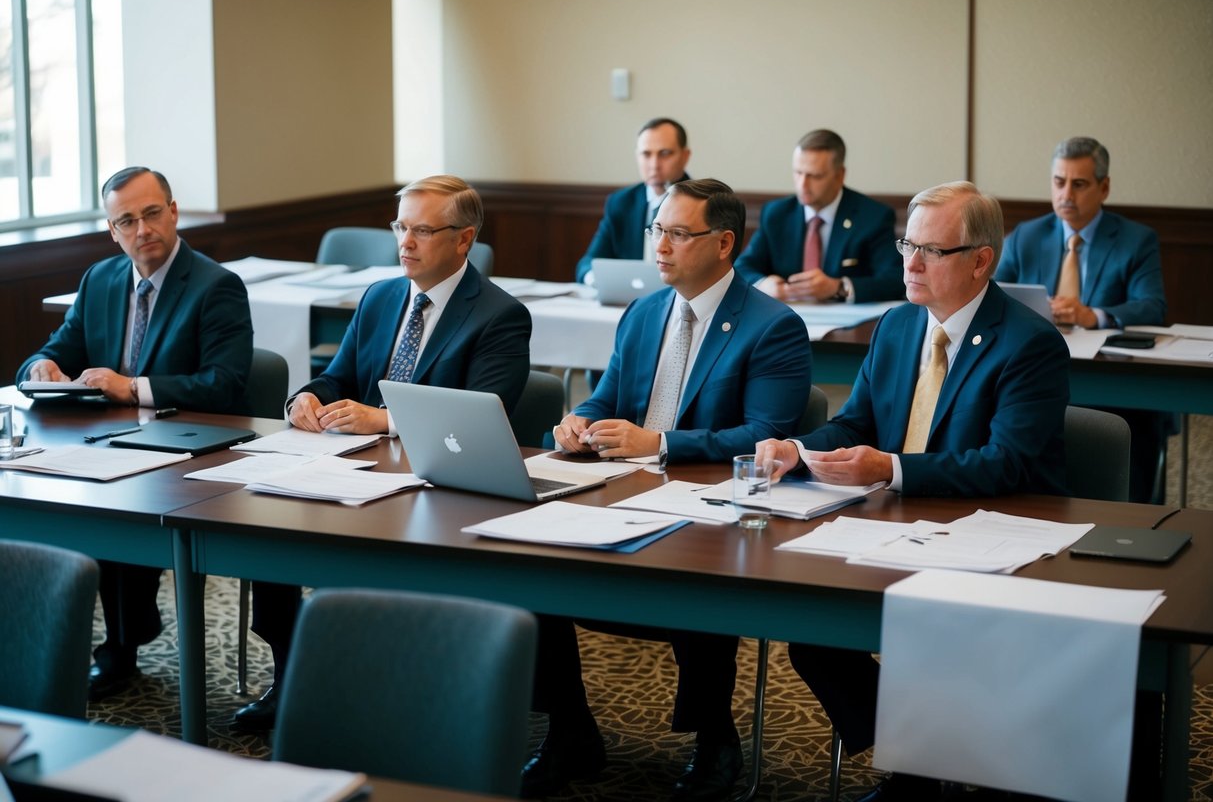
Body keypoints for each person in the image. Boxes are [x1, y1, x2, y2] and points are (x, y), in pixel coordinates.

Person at [756, 181, 1070, 802]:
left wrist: (890, 469)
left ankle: (933, 769)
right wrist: (799, 449)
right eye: (906, 245)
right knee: (812, 625)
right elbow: (856, 423)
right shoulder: (898, 325)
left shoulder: (1029, 343)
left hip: (990, 531)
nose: (911, 264)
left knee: (936, 628)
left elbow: (1005, 464)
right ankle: (931, 757)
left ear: (980, 260)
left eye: (931, 250)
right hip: (893, 522)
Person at [526, 179, 813, 801]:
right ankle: (570, 728)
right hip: (623, 490)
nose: (661, 246)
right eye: (657, 230)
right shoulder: (644, 311)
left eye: (680, 234)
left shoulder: (773, 326)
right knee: (529, 562)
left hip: (716, 508)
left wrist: (659, 444)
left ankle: (716, 739)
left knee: (695, 573)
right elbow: (612, 397)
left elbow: (765, 433)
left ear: (724, 242)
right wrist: (580, 419)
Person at [234, 175, 532, 732]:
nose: (405, 243)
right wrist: (306, 397)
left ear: (464, 240)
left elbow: (479, 414)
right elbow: (339, 374)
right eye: (400, 227)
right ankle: (292, 674)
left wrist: (386, 419)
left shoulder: (498, 315)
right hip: (360, 472)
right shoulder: (380, 296)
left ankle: (394, 689)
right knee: (268, 527)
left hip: (438, 486)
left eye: (423, 230)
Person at [17, 166, 253, 701]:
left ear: (173, 212)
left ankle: (122, 644)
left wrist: (133, 388)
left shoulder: (216, 286)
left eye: (151, 213)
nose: (142, 229)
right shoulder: (100, 279)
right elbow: (59, 347)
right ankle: (113, 642)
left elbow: (225, 384)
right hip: (103, 443)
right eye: (127, 220)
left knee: (123, 503)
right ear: (112, 230)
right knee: (60, 505)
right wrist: (40, 368)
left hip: (189, 450)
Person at [994, 136, 1169, 502]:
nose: (1066, 195)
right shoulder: (1026, 235)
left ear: (1104, 188)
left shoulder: (1135, 240)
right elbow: (993, 296)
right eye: (1059, 183)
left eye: (1079, 184)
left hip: (1114, 377)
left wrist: (1095, 315)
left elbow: (1153, 305)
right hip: (1036, 364)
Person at [734, 129, 902, 303]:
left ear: (839, 175)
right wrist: (763, 284)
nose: (802, 185)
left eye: (815, 176)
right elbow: (742, 267)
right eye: (798, 173)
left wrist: (838, 287)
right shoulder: (777, 214)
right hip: (786, 316)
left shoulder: (873, 216)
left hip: (845, 323)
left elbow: (895, 279)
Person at [573, 117, 692, 285]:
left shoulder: (700, 204)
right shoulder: (621, 202)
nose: (654, 164)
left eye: (665, 154)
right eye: (646, 154)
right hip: (626, 301)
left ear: (685, 156)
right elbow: (588, 263)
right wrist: (597, 280)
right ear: (637, 156)